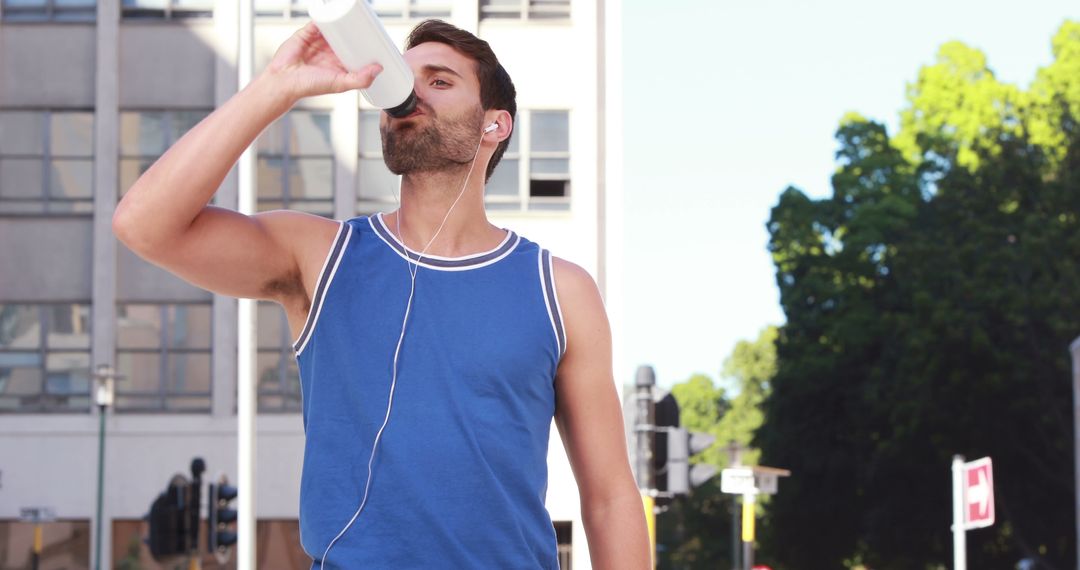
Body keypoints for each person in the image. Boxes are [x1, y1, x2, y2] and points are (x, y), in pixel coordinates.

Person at [113, 18, 649, 569]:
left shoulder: (559, 289)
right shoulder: (321, 256)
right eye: (402, 77)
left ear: (495, 124)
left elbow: (609, 498)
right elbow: (144, 225)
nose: (409, 92)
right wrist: (276, 86)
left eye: (439, 81)